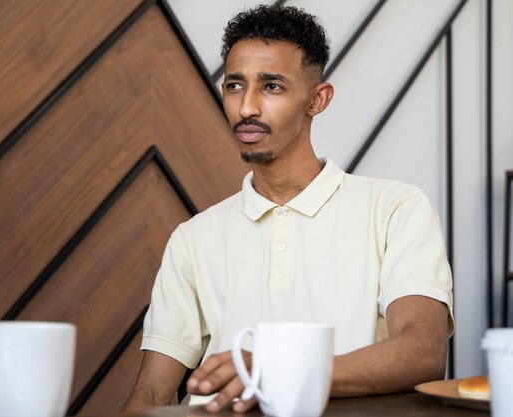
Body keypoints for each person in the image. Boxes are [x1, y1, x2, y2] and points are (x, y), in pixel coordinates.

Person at [125, 4, 453, 413]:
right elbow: (151, 395)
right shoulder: (193, 239)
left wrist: (282, 370)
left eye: (271, 86)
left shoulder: (396, 210)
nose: (246, 108)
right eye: (234, 86)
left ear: (317, 99)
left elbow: (424, 352)